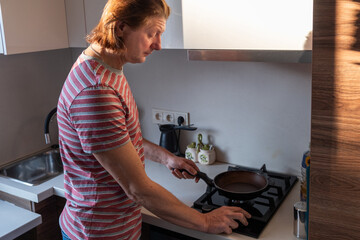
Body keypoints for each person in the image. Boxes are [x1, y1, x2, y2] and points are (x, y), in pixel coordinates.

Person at [57, 0, 251, 239]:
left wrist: (166, 158)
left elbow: (122, 139)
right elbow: (137, 189)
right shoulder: (96, 91)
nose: (158, 45)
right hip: (98, 232)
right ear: (121, 28)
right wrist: (205, 221)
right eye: (152, 34)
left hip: (116, 228)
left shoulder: (107, 69)